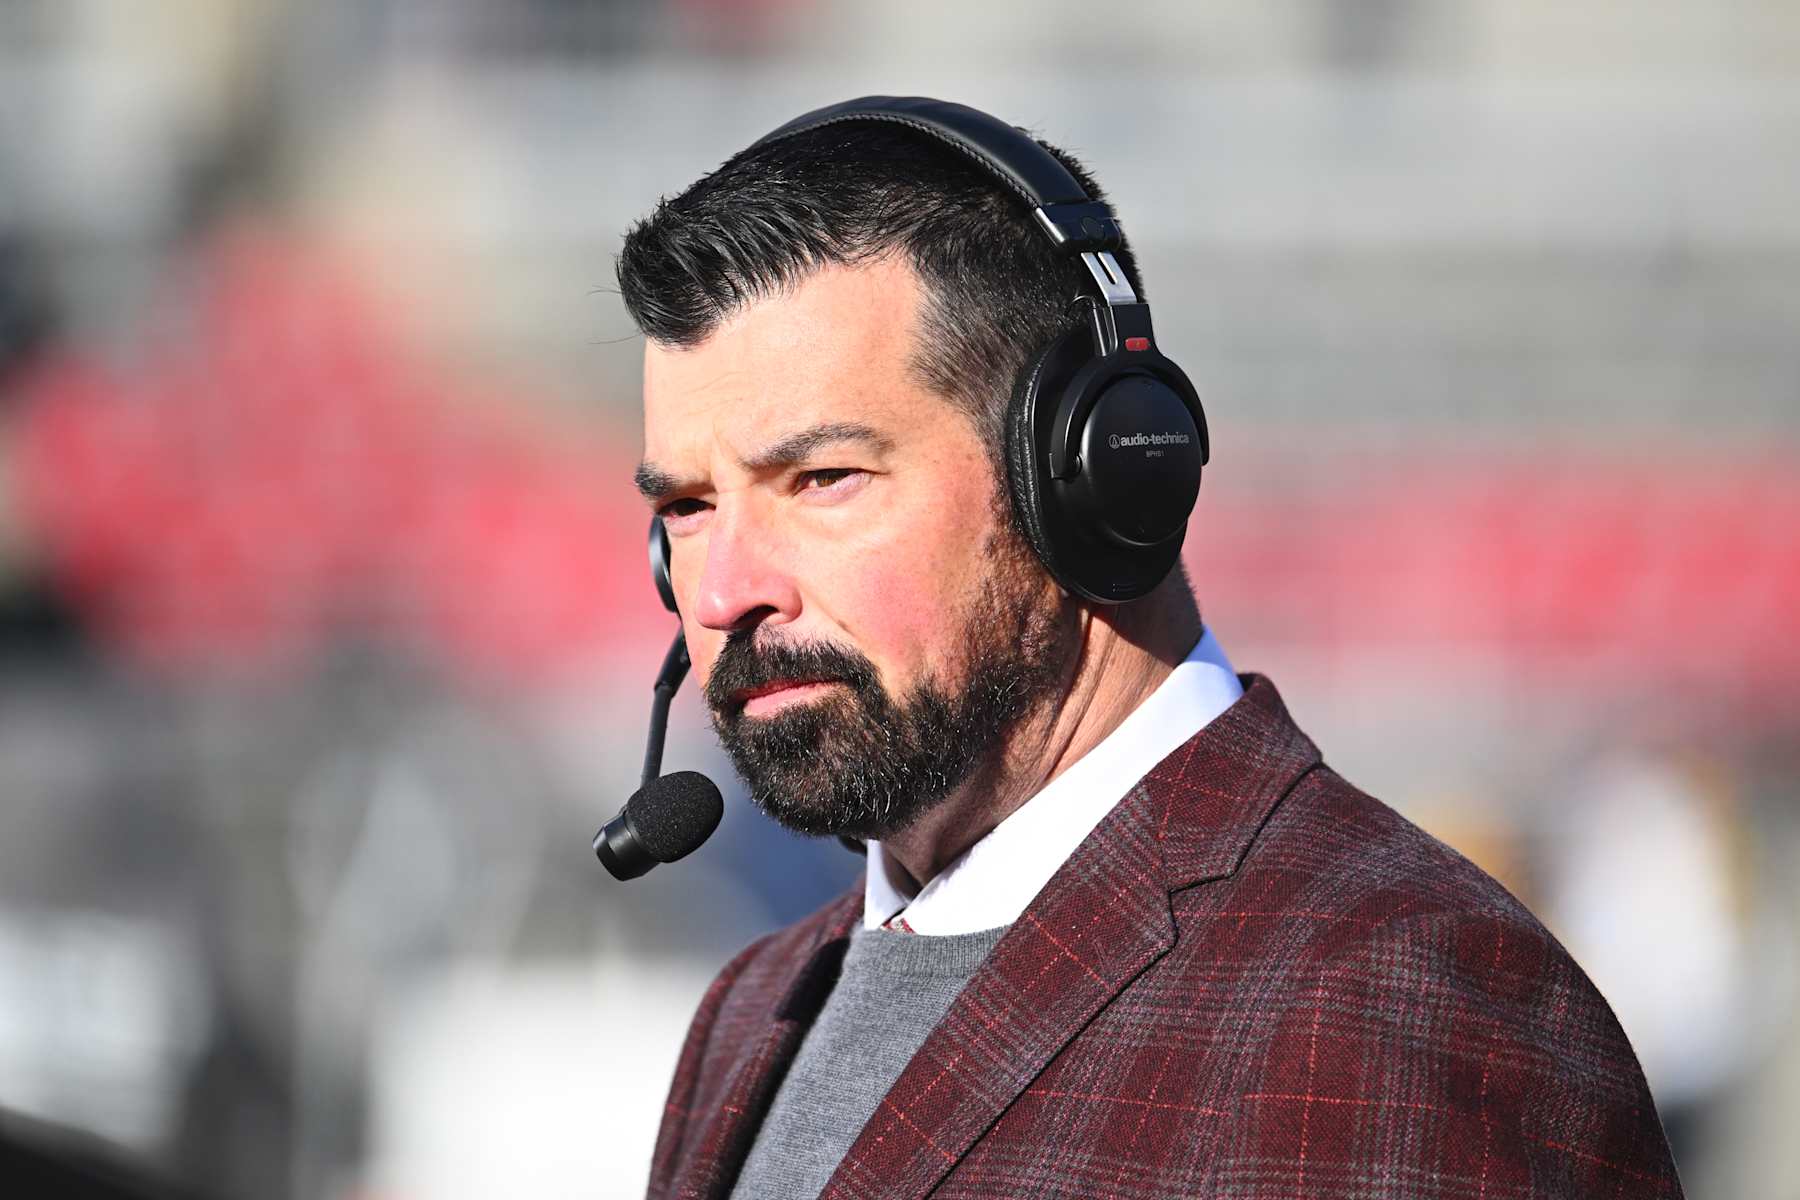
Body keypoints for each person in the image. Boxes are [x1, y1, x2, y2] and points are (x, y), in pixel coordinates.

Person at [617, 97, 1683, 1200]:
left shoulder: (1387, 1002)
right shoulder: (753, 1013)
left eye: (822, 480)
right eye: (688, 508)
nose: (729, 590)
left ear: (1093, 478)